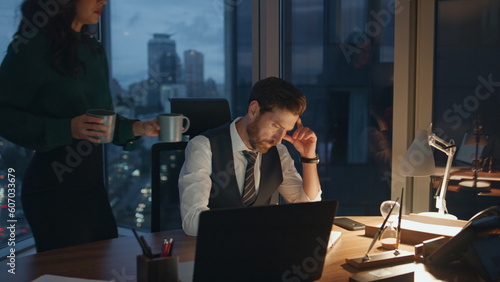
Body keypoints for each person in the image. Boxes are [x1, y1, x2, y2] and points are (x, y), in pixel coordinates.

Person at [0, 0, 159, 252]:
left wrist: (141, 128)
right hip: (53, 189)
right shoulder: (32, 46)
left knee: (102, 268)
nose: (103, 1)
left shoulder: (92, 49)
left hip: (92, 188)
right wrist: (66, 129)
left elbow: (100, 123)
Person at [178, 77, 322, 236]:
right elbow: (191, 221)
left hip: (262, 250)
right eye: (276, 126)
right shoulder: (203, 147)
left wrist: (308, 158)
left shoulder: (279, 152)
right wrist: (262, 221)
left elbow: (309, 211)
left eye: (286, 131)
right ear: (254, 110)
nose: (279, 139)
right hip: (216, 250)